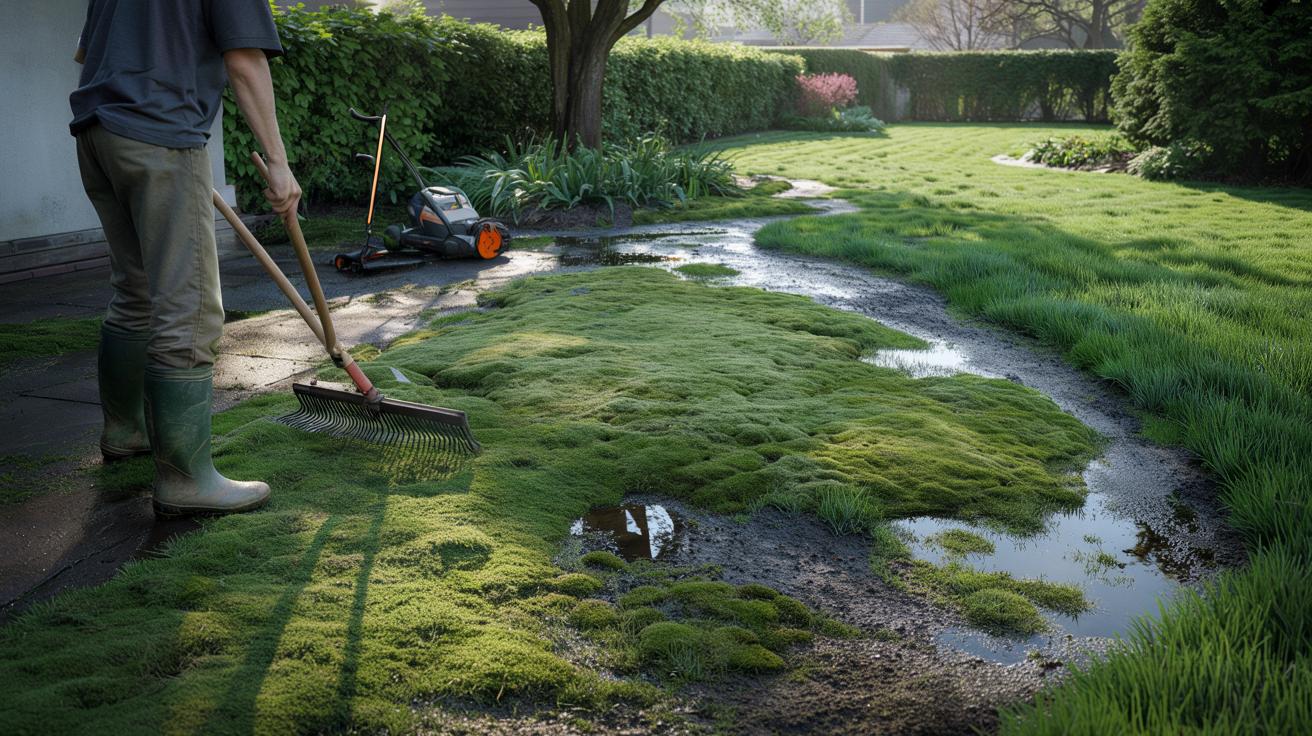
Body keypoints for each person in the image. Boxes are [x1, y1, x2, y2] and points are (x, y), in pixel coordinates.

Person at [70, 0, 301, 516]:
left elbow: (87, 53)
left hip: (97, 131)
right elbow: (244, 60)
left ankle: (126, 431)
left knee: (135, 290)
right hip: (160, 130)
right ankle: (185, 479)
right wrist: (279, 165)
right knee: (189, 306)